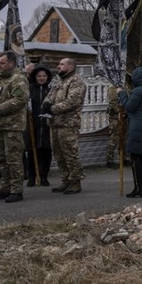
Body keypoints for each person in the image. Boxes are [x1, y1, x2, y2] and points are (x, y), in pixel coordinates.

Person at [0, 51, 29, 203]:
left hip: (12, 126)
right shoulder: (2, 79)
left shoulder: (18, 78)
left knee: (13, 159)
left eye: (2, 63)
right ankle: (5, 188)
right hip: (0, 125)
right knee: (2, 159)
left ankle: (16, 190)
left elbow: (20, 100)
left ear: (11, 63)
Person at [44, 57, 87, 195]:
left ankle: (75, 182)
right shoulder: (59, 80)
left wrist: (52, 108)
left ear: (71, 66)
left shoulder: (76, 81)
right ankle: (66, 180)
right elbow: (49, 96)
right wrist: (45, 105)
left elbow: (72, 102)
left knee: (70, 153)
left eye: (62, 64)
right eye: (59, 64)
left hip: (68, 124)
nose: (58, 66)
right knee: (58, 154)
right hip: (55, 123)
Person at [116, 65, 142, 197]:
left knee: (135, 157)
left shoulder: (138, 91)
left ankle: (138, 188)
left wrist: (121, 94)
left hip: (137, 127)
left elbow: (129, 106)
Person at [25, 64, 53, 187]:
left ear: (47, 77)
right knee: (32, 151)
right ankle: (32, 177)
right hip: (33, 125)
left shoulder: (51, 90)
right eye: (39, 76)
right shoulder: (30, 88)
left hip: (47, 125)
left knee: (46, 152)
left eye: (44, 76)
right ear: (34, 77)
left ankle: (44, 176)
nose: (41, 78)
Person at [105, 84, 127, 168]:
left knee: (124, 138)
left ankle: (124, 158)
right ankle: (110, 160)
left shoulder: (125, 86)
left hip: (124, 116)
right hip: (115, 117)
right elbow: (113, 102)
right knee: (114, 138)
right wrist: (119, 112)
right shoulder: (112, 88)